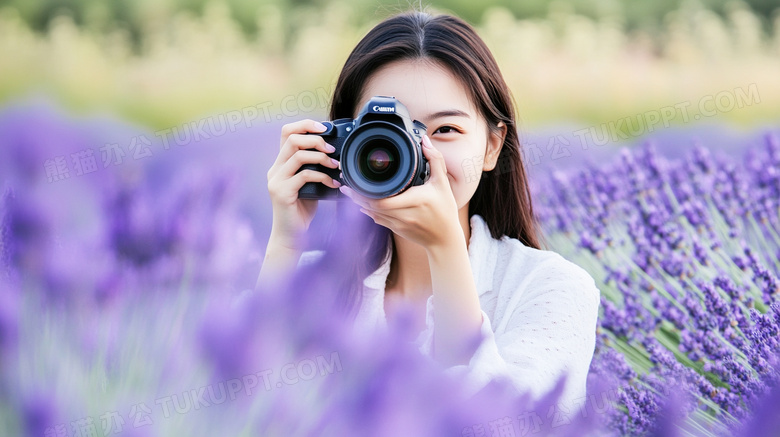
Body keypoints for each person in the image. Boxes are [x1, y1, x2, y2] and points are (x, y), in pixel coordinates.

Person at [256, 10, 600, 408]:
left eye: (445, 130)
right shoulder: (311, 281)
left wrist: (445, 249)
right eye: (387, 134)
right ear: (343, 145)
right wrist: (285, 240)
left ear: (491, 146)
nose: (418, 153)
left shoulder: (551, 288)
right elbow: (244, 405)